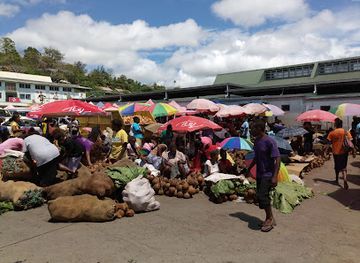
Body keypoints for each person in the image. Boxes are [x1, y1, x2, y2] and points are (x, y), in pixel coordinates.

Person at [246, 119, 281, 232]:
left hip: (268, 174)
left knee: (262, 196)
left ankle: (269, 218)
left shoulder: (269, 141)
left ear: (259, 129)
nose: (251, 131)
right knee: (262, 197)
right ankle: (270, 218)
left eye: (253, 129)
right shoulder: (256, 141)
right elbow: (256, 157)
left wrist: (275, 176)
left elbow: (277, 159)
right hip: (260, 173)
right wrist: (249, 168)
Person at [326, 118, 354, 189]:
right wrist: (353, 150)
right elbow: (350, 141)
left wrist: (325, 151)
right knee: (344, 166)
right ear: (341, 124)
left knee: (337, 166)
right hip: (344, 152)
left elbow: (328, 143)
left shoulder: (332, 132)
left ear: (335, 124)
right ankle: (344, 178)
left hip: (336, 152)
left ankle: (336, 179)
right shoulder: (345, 131)